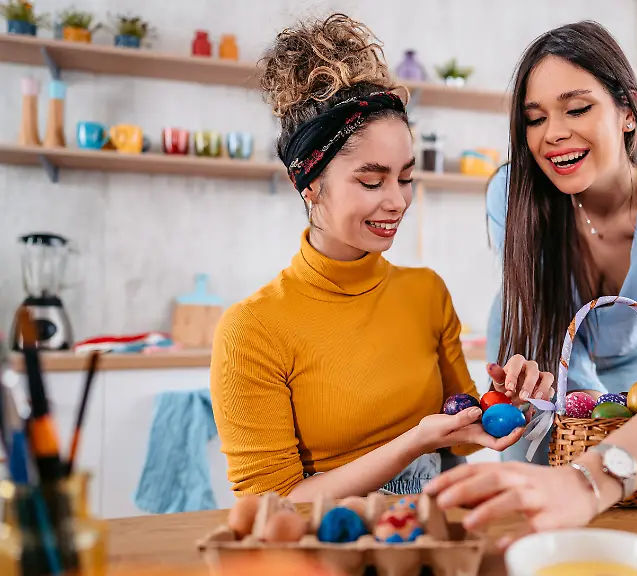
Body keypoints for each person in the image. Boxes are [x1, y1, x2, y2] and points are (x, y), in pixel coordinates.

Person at [424, 21, 637, 542]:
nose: (553, 133)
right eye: (535, 119)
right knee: (529, 509)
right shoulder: (512, 195)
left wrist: (591, 480)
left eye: (577, 109)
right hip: (536, 342)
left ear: (627, 111)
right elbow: (538, 317)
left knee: (633, 506)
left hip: (636, 356)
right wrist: (538, 391)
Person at [209, 13, 552, 503]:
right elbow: (270, 503)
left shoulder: (426, 292)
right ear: (307, 186)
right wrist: (412, 443)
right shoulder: (252, 331)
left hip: (431, 534)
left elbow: (460, 425)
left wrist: (507, 403)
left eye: (405, 177)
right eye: (371, 181)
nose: (397, 200)